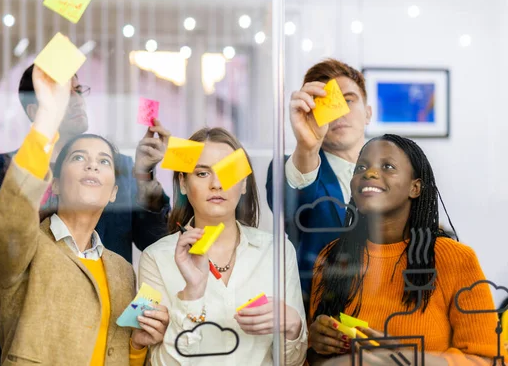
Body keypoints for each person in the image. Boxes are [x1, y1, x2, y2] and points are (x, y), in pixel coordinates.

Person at [0, 64, 170, 366]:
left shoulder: (120, 170)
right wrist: (19, 234)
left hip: (107, 339)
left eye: (78, 90)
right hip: (26, 341)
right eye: (64, 93)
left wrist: (142, 176)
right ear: (38, 109)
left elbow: (157, 242)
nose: (77, 98)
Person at [308, 134, 502, 365]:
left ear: (415, 188)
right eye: (361, 167)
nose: (369, 173)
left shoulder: (456, 259)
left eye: (387, 166)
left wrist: (408, 358)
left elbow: (488, 360)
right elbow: (314, 359)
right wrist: (317, 345)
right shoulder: (332, 256)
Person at [139, 127, 308, 365]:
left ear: (243, 184)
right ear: (183, 184)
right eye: (202, 174)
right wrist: (191, 295)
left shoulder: (277, 250)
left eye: (227, 172)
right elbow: (156, 361)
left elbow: (293, 361)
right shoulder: (156, 257)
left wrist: (293, 327)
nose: (216, 184)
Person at [265, 58, 372, 309]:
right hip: (319, 316)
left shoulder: (395, 170)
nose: (340, 112)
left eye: (348, 100)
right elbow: (293, 197)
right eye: (328, 105)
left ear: (368, 113)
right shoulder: (289, 166)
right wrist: (307, 147)